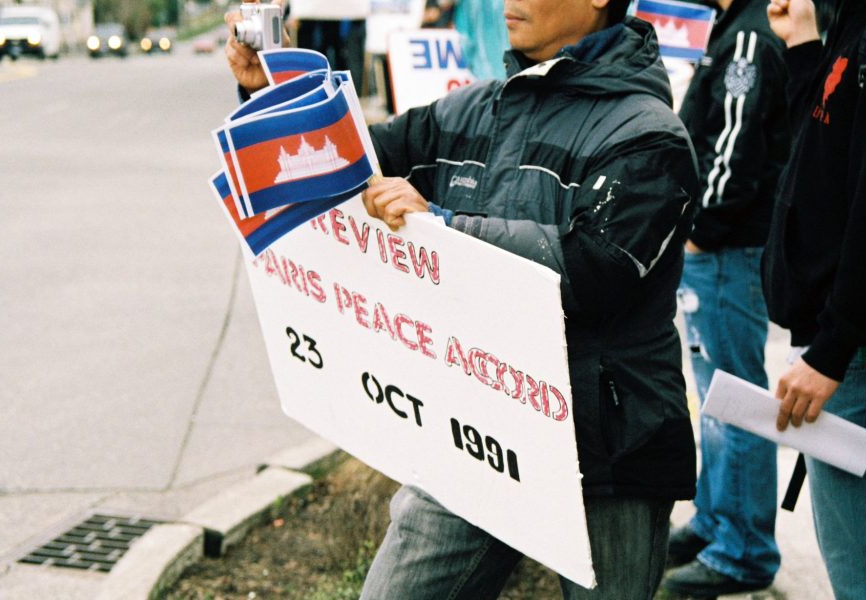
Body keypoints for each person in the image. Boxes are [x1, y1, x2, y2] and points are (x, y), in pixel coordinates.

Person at [227, 0, 700, 596]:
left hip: (607, 450)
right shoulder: (473, 109)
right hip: (473, 433)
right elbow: (344, 167)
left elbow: (596, 270)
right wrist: (277, 91)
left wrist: (444, 229)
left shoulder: (650, 134)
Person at [761, 0, 866, 598]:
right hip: (851, 352)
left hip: (865, 360)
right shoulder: (857, 16)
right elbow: (822, 156)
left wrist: (835, 347)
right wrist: (803, 49)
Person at [660, 0, 789, 596]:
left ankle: (743, 549)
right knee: (714, 394)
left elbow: (735, 148)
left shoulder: (747, 39)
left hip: (725, 249)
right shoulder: (734, 29)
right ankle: (716, 522)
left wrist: (699, 229)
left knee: (735, 395)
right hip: (721, 249)